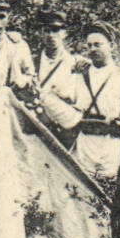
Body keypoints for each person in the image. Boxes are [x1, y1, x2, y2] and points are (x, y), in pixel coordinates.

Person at [29, 8, 91, 148]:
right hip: (38, 129)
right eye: (46, 30)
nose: (51, 35)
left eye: (55, 29)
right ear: (41, 33)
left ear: (64, 33)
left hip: (67, 132)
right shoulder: (32, 63)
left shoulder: (77, 63)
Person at [75, 20, 120, 179]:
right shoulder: (80, 74)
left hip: (111, 148)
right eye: (89, 46)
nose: (93, 49)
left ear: (111, 46)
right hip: (85, 148)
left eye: (98, 44)